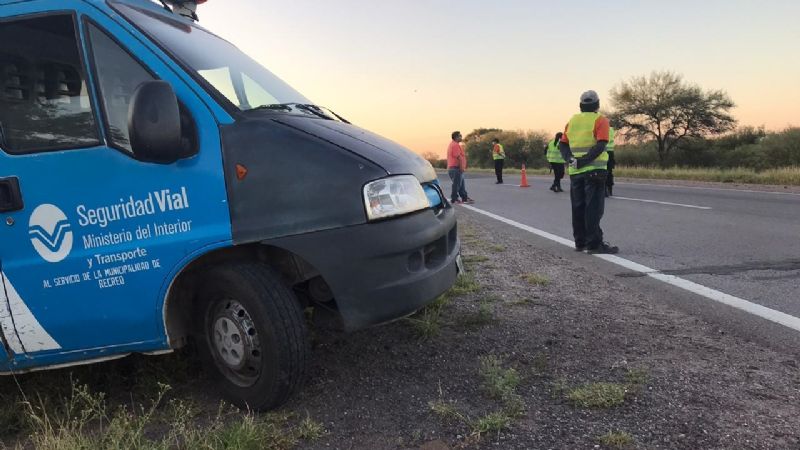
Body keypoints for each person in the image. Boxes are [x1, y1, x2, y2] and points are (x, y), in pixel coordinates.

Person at [559, 90, 618, 254]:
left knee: (578, 207)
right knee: (593, 208)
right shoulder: (601, 120)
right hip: (595, 171)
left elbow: (562, 144)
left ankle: (580, 242)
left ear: (580, 106)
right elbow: (601, 145)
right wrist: (584, 160)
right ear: (597, 105)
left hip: (575, 172)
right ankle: (594, 244)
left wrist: (570, 159)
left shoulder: (572, 121)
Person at [447, 131, 474, 204]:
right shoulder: (455, 145)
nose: (461, 137)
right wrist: (462, 167)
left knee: (461, 185)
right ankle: (454, 199)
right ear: (456, 137)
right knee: (457, 185)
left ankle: (464, 198)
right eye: (460, 136)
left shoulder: (454, 144)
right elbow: (459, 157)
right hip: (456, 168)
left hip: (456, 168)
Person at [605, 125, 616, 197]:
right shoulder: (611, 130)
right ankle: (610, 190)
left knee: (602, 171)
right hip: (611, 153)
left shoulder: (602, 128)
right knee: (610, 172)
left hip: (603, 152)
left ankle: (604, 190)